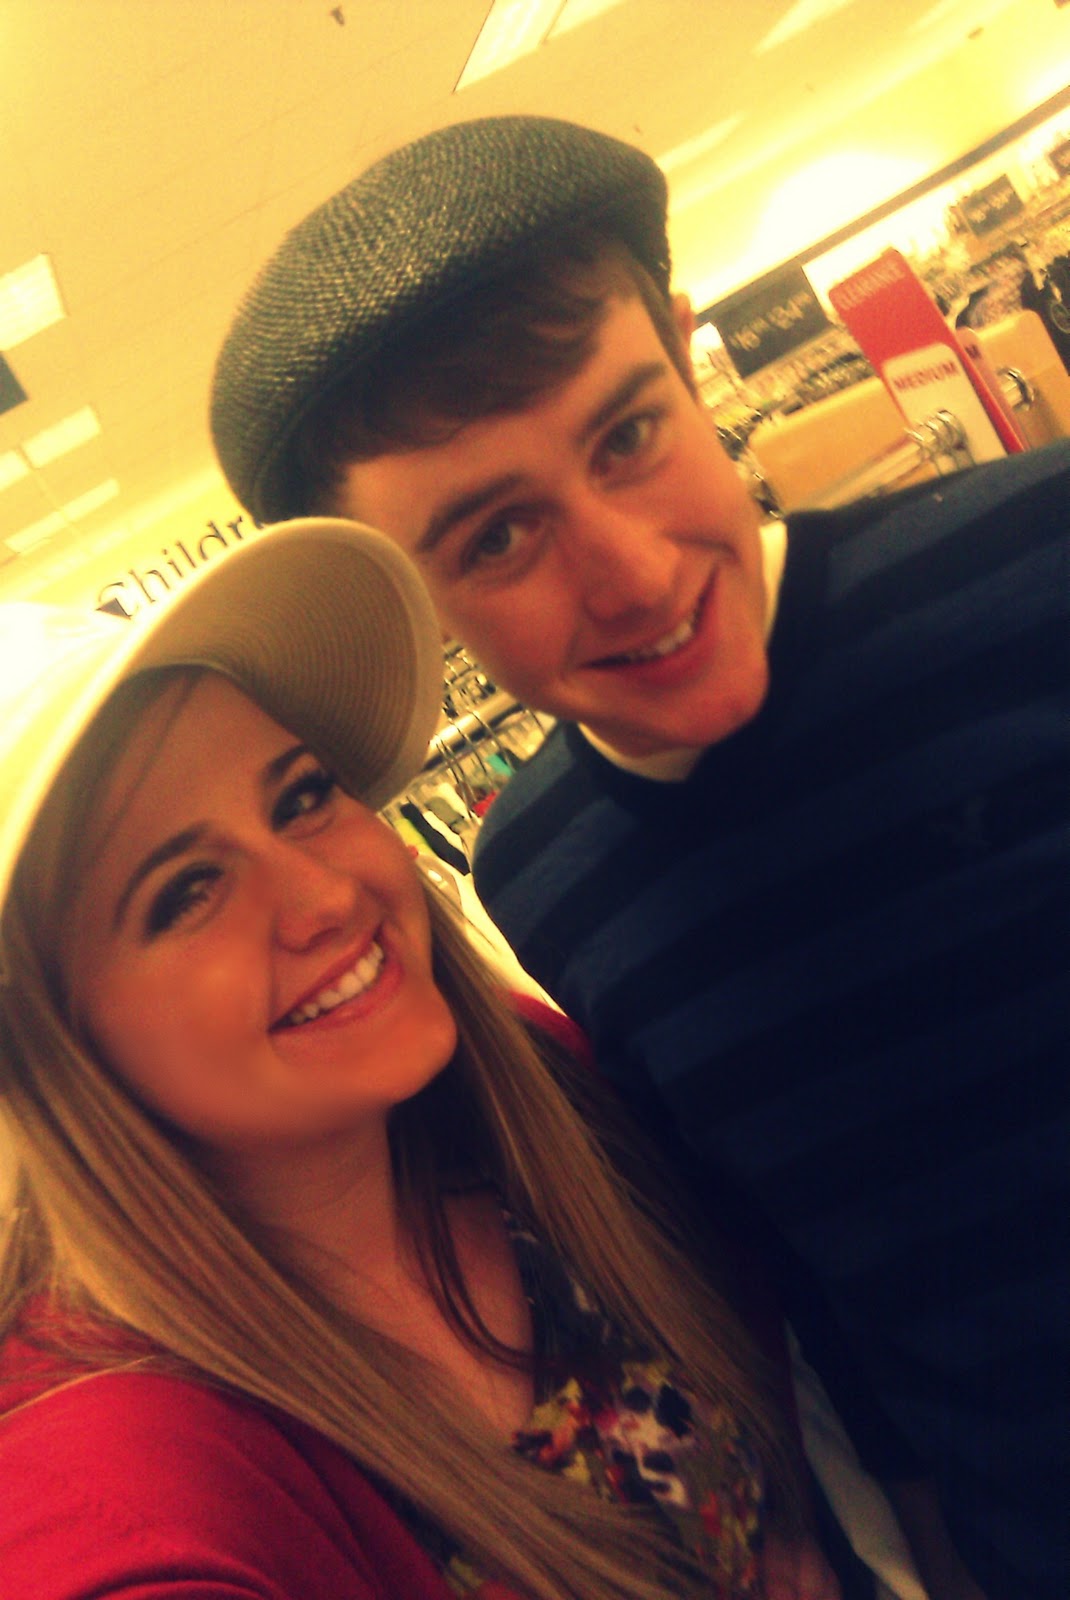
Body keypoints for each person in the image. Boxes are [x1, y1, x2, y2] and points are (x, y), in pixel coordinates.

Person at [208, 115, 1070, 1600]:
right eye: (495, 539)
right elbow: (819, 1268)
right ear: (409, 605)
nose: (635, 572)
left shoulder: (1037, 561)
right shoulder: (539, 871)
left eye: (627, 436)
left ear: (682, 350)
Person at [0, 518, 839, 1600]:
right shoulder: (114, 1471)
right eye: (186, 891)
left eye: (301, 797)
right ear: (52, 1041)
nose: (326, 895)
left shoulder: (540, 1097)